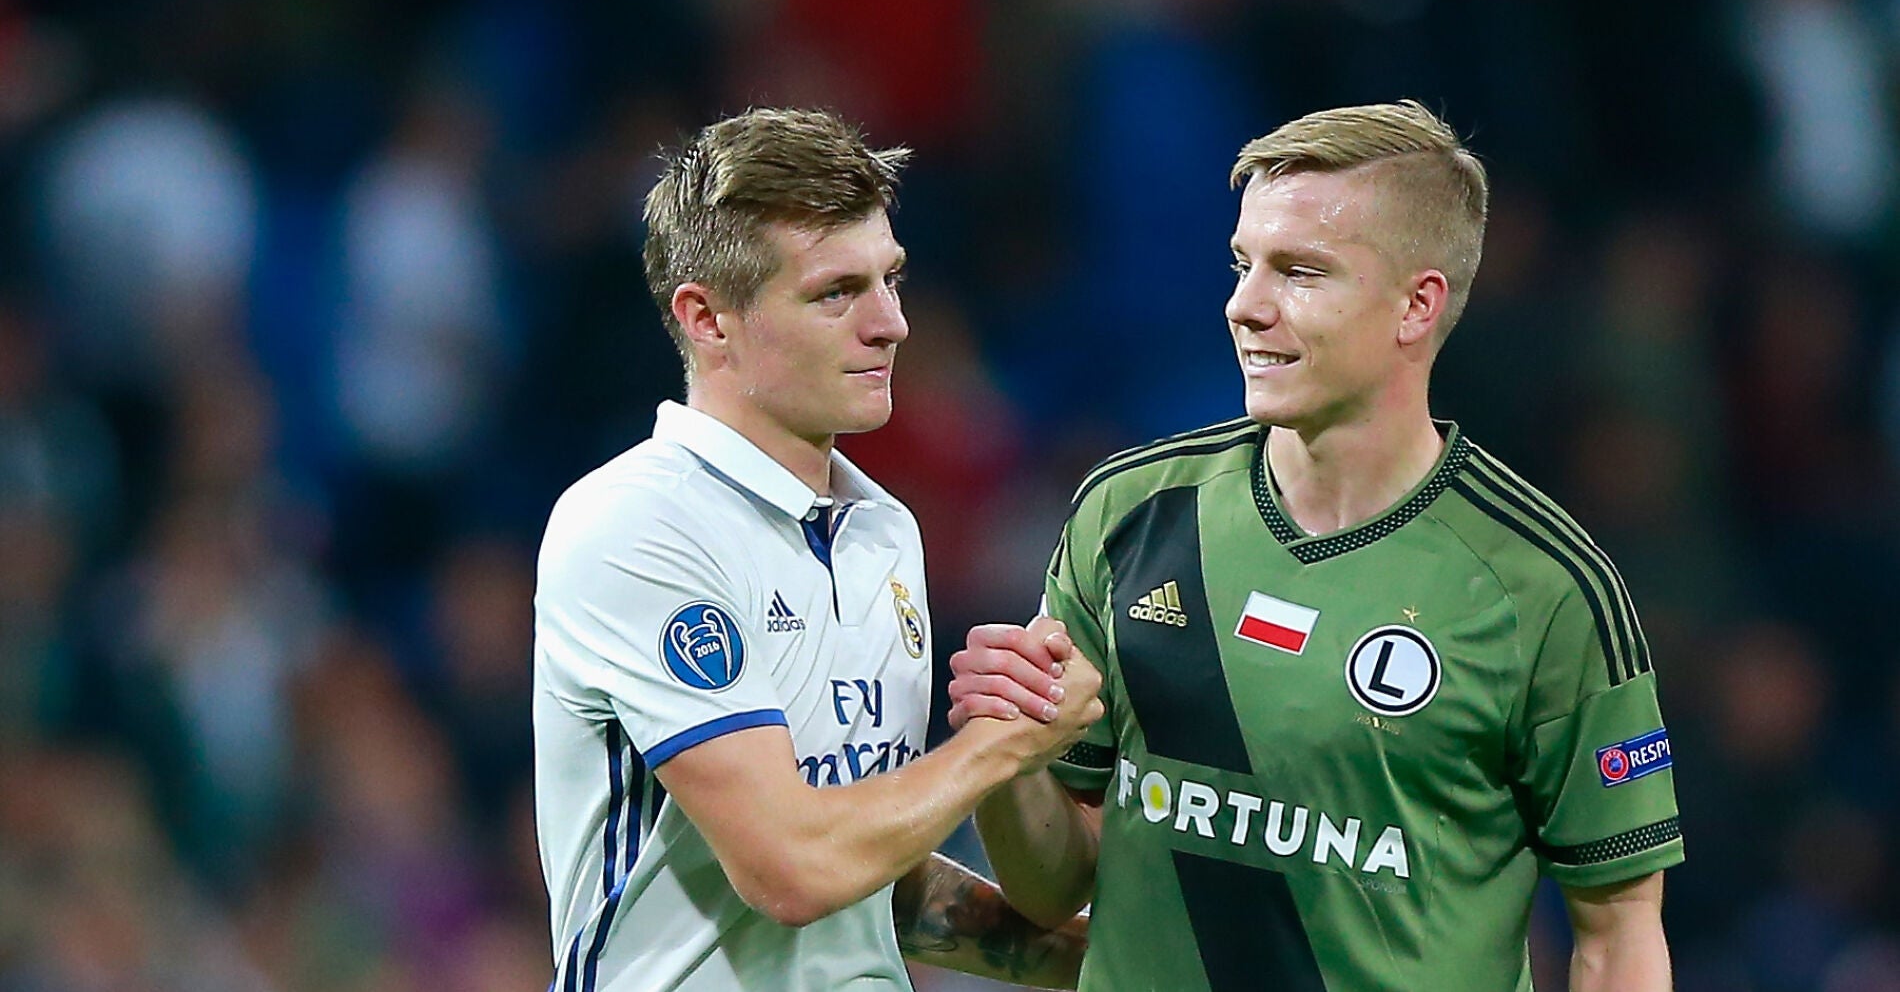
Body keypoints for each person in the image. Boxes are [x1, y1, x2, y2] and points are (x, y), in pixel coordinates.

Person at [949, 101, 1682, 992]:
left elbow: (1617, 936)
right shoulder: (1133, 512)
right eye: (1242, 263)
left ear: (1417, 305)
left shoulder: (1543, 587)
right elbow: (1061, 879)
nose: (1244, 305)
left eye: (1299, 272)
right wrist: (1003, 759)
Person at [532, 107, 1101, 992]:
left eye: (891, 279)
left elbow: (866, 868)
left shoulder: (884, 532)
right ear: (708, 318)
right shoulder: (635, 525)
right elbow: (792, 868)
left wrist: (1112, 963)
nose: (892, 325)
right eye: (836, 292)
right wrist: (998, 746)